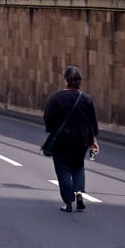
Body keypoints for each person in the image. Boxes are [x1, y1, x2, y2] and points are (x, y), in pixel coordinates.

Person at [42, 65, 100, 212]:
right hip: (82, 140)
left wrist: (53, 129)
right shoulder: (86, 99)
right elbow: (92, 122)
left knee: (63, 169)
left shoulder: (57, 98)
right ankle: (79, 192)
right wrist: (93, 141)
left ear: (66, 80)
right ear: (80, 81)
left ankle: (68, 202)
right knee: (78, 165)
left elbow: (48, 118)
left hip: (62, 139)